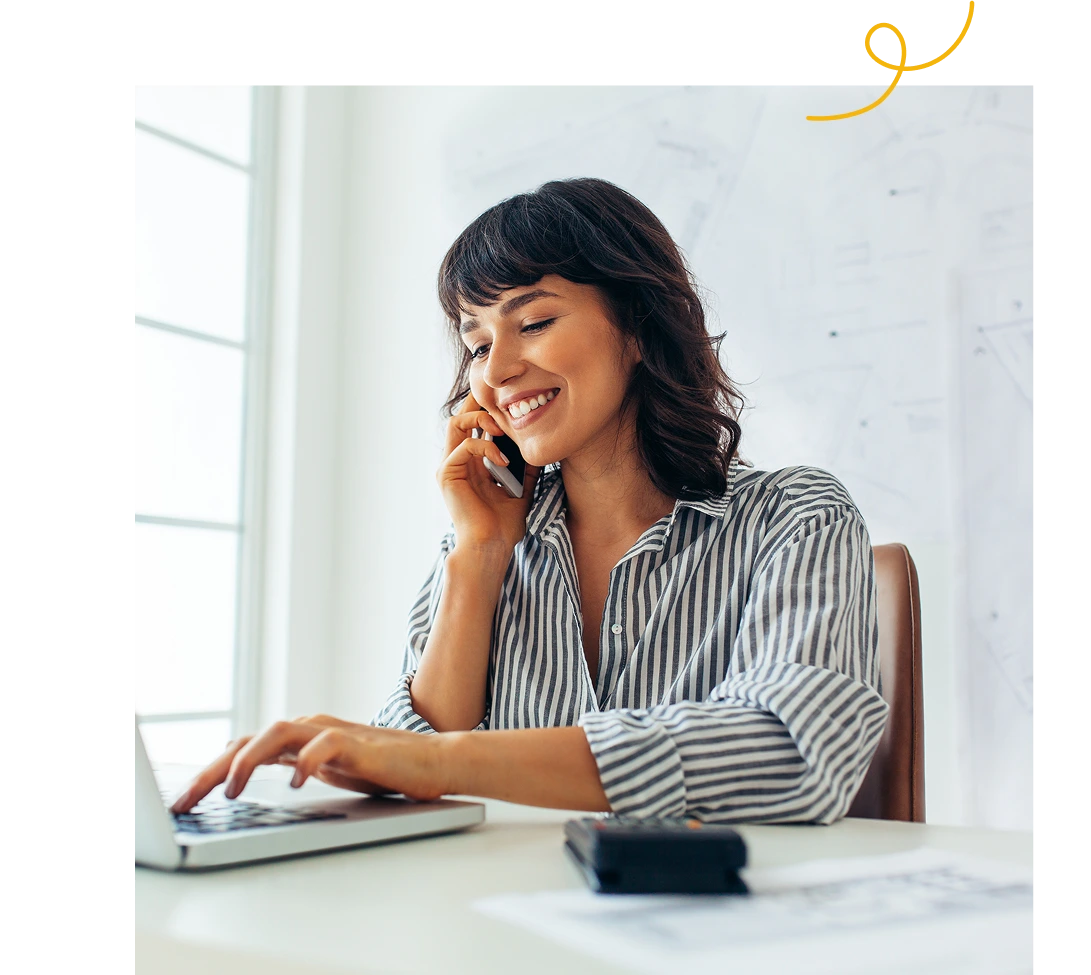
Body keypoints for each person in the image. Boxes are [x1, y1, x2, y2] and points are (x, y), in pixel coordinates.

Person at [173, 178, 888, 824]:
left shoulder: (795, 516)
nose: (499, 370)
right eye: (476, 342)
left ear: (638, 326)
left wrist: (432, 761)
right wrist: (479, 555)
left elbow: (792, 751)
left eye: (534, 322)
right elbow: (408, 764)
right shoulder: (485, 544)